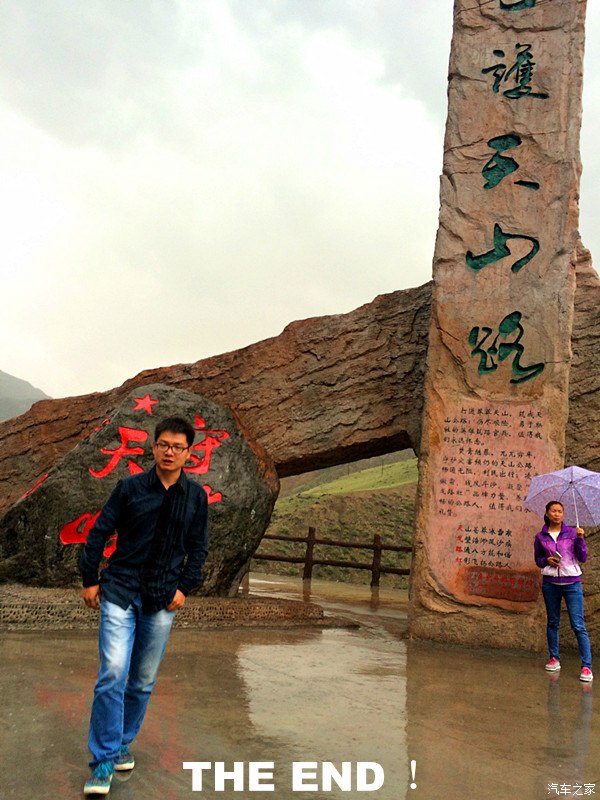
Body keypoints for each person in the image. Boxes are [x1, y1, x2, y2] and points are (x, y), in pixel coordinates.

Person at [79, 416, 209, 795]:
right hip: (120, 590)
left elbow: (199, 547)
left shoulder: (195, 497)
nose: (169, 452)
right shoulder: (130, 488)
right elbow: (99, 532)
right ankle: (103, 760)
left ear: (188, 453)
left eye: (178, 447)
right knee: (112, 673)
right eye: (163, 444)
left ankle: (122, 743)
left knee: (142, 680)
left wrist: (184, 587)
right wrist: (90, 578)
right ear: (153, 447)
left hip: (162, 598)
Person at [533, 500, 593, 682]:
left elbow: (583, 557)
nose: (557, 514)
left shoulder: (573, 533)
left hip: (572, 583)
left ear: (563, 514)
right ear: (547, 513)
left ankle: (586, 666)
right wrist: (547, 560)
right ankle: (554, 658)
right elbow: (538, 560)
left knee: (578, 625)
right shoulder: (540, 537)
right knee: (553, 622)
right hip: (550, 583)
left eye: (560, 511)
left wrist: (581, 539)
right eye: (553, 511)